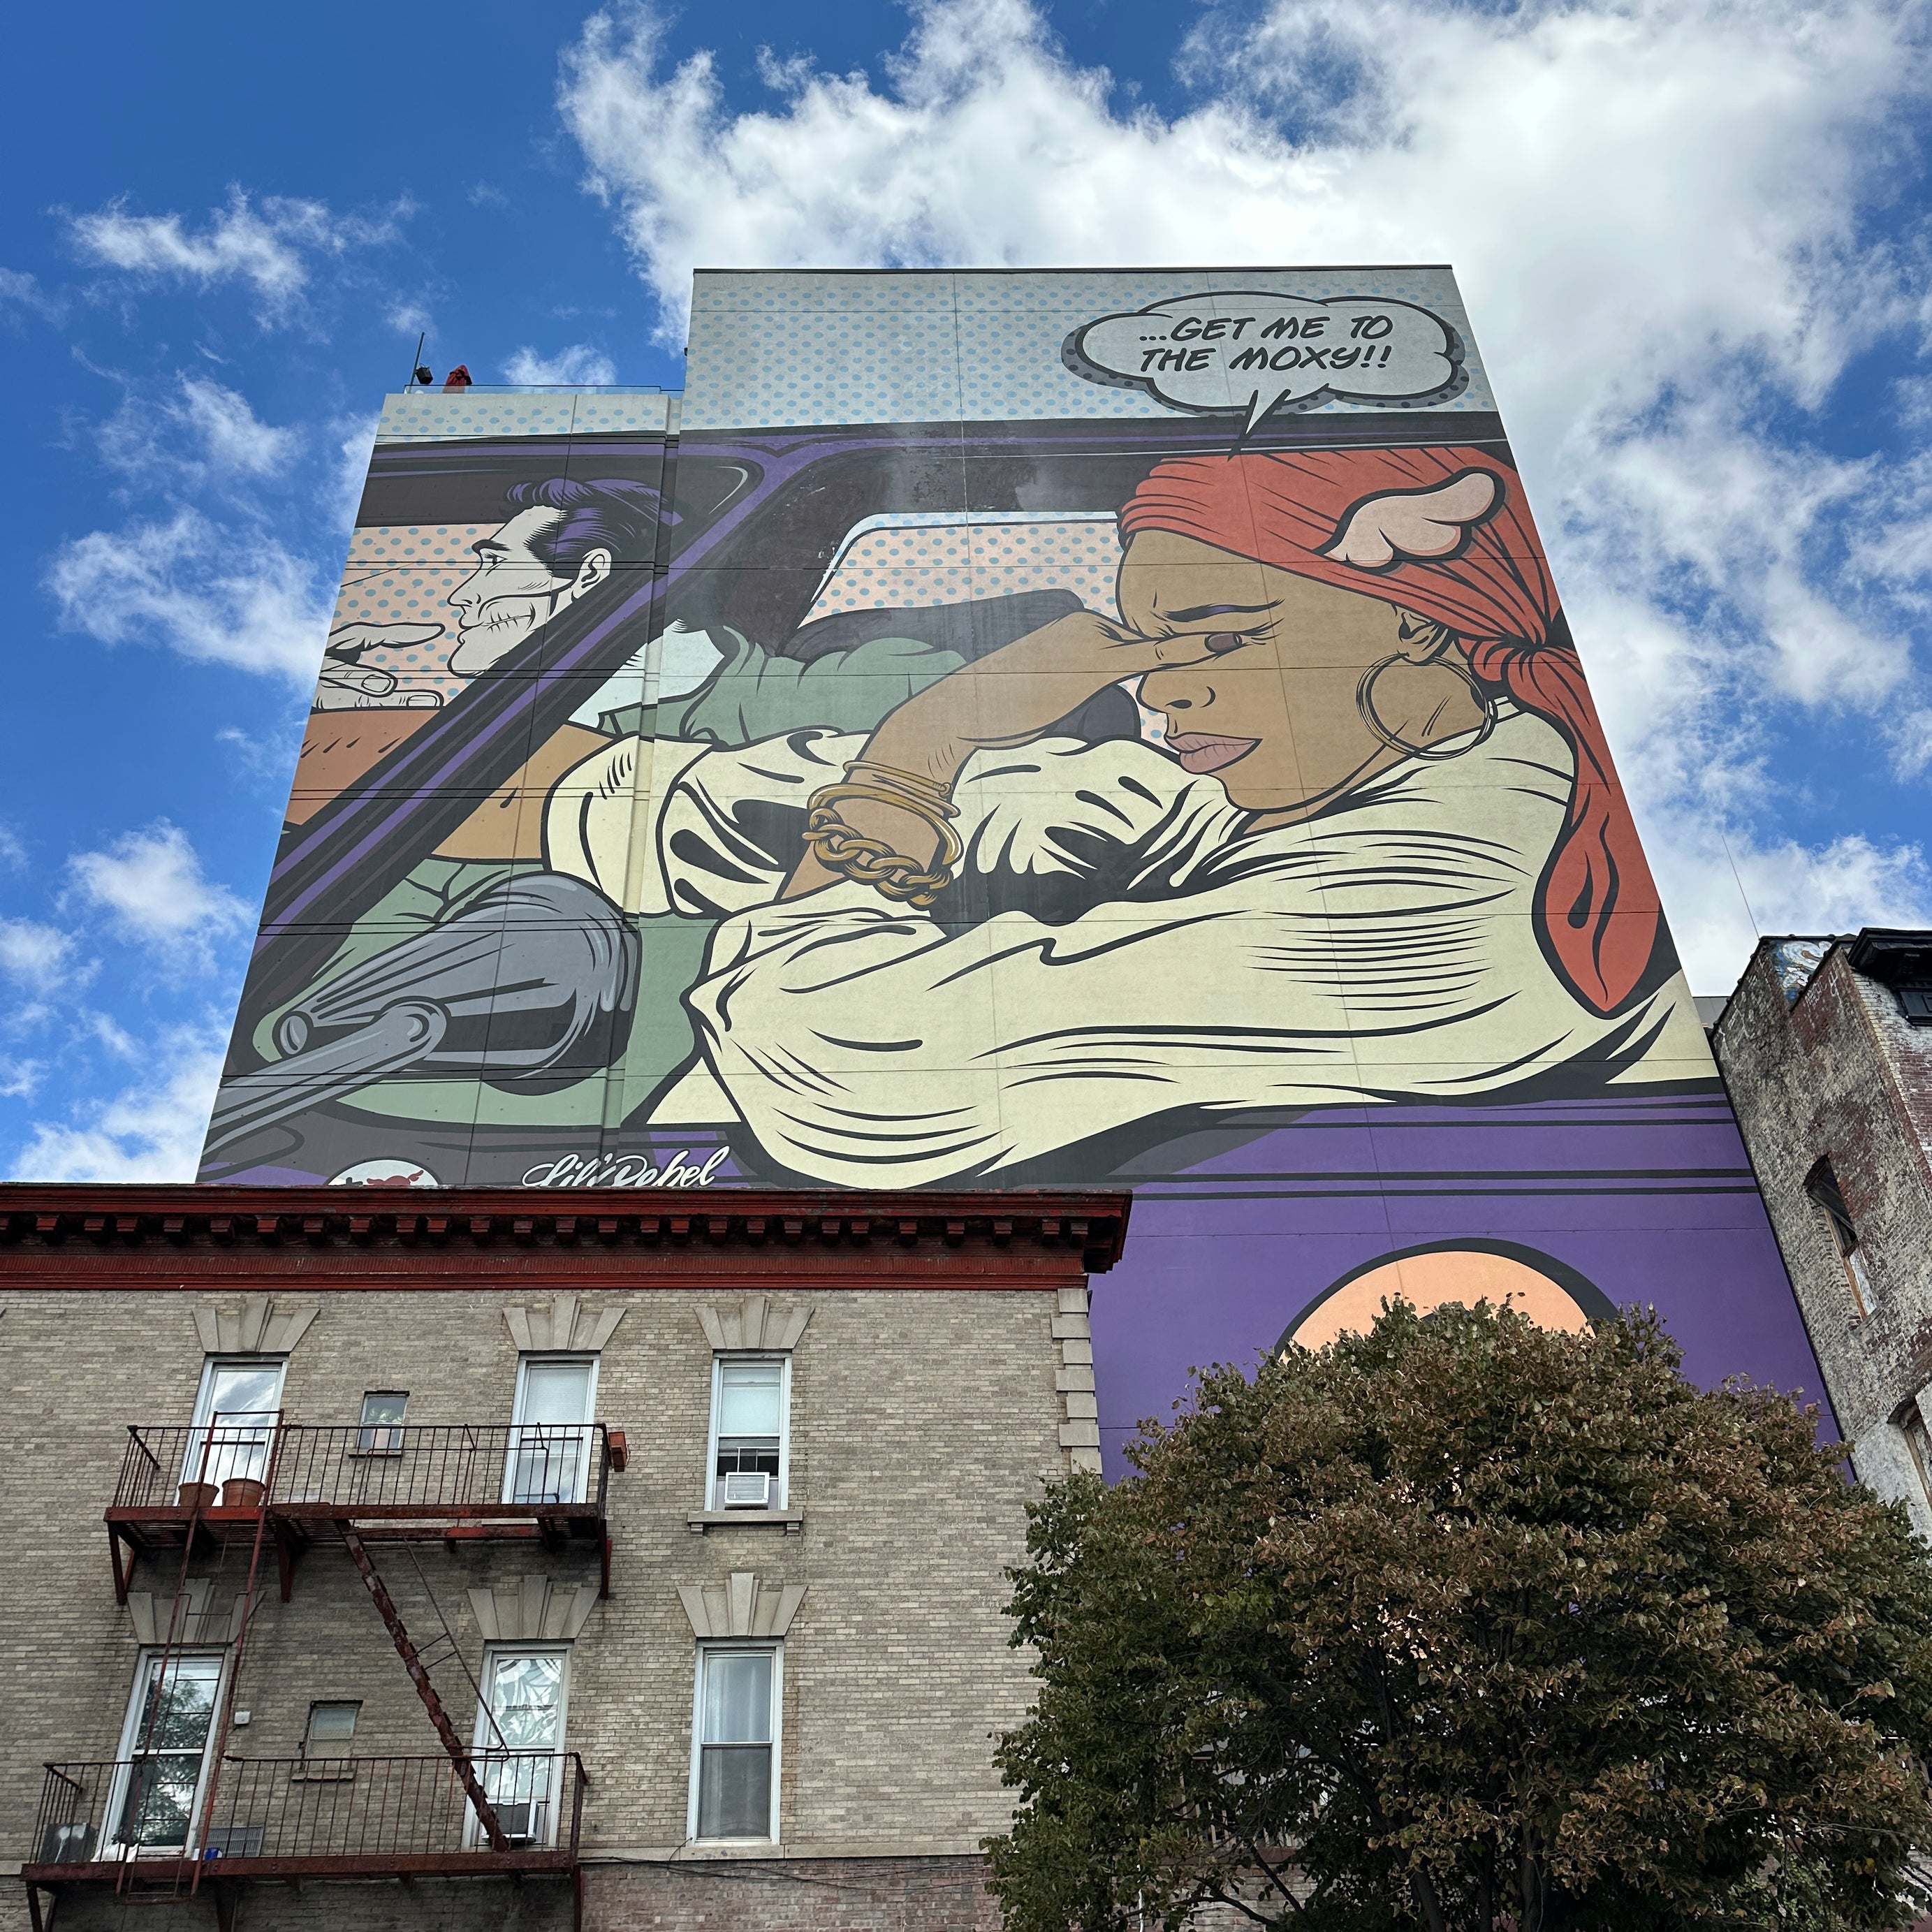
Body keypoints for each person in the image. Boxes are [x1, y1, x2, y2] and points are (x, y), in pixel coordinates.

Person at [536, 444, 1706, 1186]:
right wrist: (596, 793)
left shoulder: (1435, 902)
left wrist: (920, 748)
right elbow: (1079, 801)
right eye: (1151, 643)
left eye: (1219, 637)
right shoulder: (1450, 761)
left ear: (1412, 618)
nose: (1158, 683)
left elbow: (852, 1063)